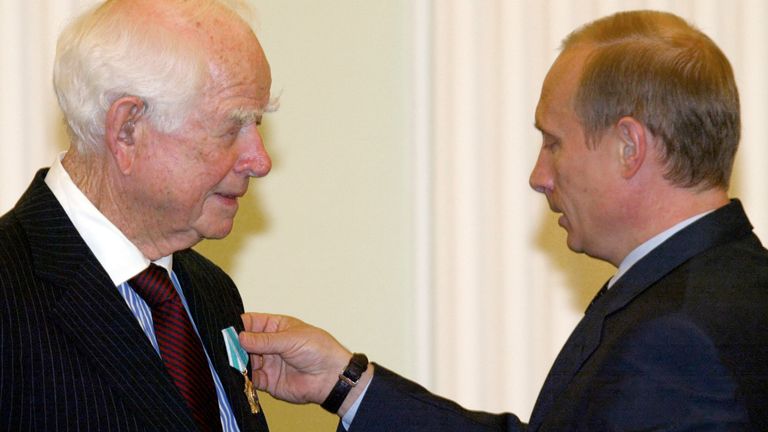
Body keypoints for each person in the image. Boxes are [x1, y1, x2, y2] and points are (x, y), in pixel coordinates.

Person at [238, 10, 768, 431]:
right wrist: (346, 383)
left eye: (553, 143)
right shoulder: (710, 289)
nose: (539, 176)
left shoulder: (679, 338)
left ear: (628, 146)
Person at [0, 0, 274, 430]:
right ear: (127, 129)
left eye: (257, 123)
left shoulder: (211, 291)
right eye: (231, 127)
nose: (259, 160)